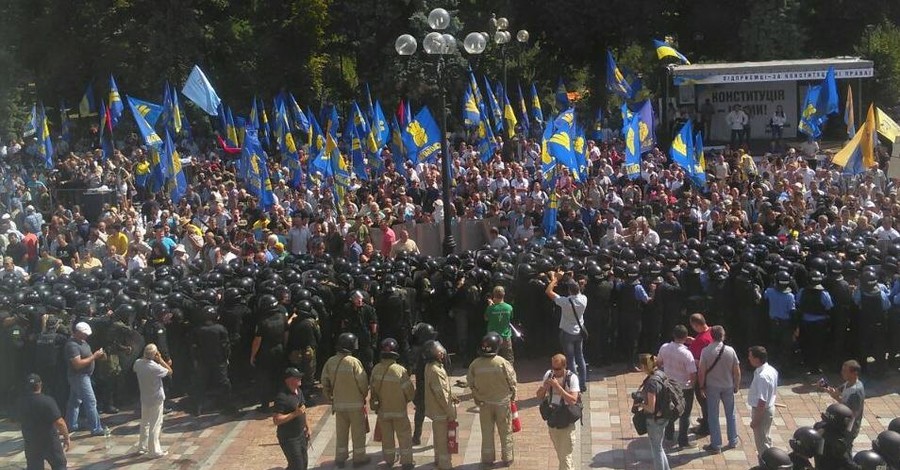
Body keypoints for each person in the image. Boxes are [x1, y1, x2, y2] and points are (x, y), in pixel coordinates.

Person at [467, 332, 518, 467]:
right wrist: (513, 396)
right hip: (502, 403)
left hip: (484, 404)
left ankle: (488, 459)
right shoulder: (502, 362)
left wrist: (478, 398)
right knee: (505, 431)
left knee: (487, 432)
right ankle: (507, 458)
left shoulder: (475, 364)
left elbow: (470, 384)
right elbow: (512, 381)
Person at [321, 332, 370, 468]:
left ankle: (340, 458)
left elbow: (324, 381)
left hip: (339, 405)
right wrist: (363, 395)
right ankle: (359, 458)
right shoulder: (354, 362)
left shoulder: (330, 361)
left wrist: (329, 397)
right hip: (355, 405)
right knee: (358, 433)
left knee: (341, 432)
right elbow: (362, 382)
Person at [370, 338, 415, 470]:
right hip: (399, 411)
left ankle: (389, 460)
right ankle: (406, 462)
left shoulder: (376, 369)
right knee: (404, 435)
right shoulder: (400, 370)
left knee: (387, 437)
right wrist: (407, 399)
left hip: (383, 411)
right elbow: (409, 391)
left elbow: (372, 389)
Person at [697, 325, 741, 454]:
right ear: (723, 335)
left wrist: (701, 386)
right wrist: (736, 385)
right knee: (730, 414)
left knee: (713, 415)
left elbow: (701, 372)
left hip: (712, 386)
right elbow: (736, 370)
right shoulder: (730, 350)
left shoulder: (705, 351)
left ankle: (716, 444)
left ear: (711, 336)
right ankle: (733, 440)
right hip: (727, 385)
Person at [545, 270, 588, 391]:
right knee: (580, 357)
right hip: (579, 331)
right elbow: (577, 289)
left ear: (569, 291)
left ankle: (574, 384)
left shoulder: (565, 302)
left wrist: (555, 279)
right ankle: (582, 384)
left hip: (567, 333)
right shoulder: (584, 299)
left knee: (570, 359)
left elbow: (548, 291)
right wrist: (570, 278)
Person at [536, 353, 581, 470]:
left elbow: (573, 400)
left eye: (558, 369)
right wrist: (545, 387)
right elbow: (539, 396)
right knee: (561, 455)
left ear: (565, 366)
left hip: (566, 418)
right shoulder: (549, 375)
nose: (555, 371)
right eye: (553, 368)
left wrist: (558, 387)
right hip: (553, 417)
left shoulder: (572, 378)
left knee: (565, 455)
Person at [17, 373, 70, 470]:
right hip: (49, 442)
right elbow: (60, 422)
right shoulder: (47, 401)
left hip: (31, 443)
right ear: (40, 384)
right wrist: (66, 438)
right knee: (59, 465)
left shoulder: (21, 402)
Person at [656, 325, 697, 449]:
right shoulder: (687, 354)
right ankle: (683, 441)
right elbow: (693, 373)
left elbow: (659, 363)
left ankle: (668, 436)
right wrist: (693, 385)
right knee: (685, 414)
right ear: (685, 337)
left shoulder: (664, 348)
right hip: (684, 387)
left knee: (669, 410)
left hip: (668, 385)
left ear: (673, 335)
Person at [64, 321, 107, 437]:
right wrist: (94, 356)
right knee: (91, 401)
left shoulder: (82, 342)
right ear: (77, 332)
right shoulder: (72, 345)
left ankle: (71, 424)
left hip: (84, 376)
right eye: (84, 333)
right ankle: (96, 428)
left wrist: (98, 356)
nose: (87, 335)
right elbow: (77, 364)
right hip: (79, 377)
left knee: (74, 401)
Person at [132, 343, 173, 458]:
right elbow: (169, 371)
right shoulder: (154, 367)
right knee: (155, 424)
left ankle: (142, 446)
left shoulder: (138, 363)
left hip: (144, 397)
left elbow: (136, 368)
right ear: (155, 354)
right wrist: (160, 360)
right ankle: (154, 450)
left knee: (145, 422)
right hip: (156, 398)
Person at [635, 353, 671, 470]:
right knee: (659, 448)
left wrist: (640, 404)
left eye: (641, 365)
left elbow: (651, 407)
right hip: (664, 415)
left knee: (656, 450)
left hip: (655, 420)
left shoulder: (651, 382)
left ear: (645, 366)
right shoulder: (661, 373)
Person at [424, 340, 456, 470]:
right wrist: (450, 412)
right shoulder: (436, 370)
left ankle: (438, 460)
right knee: (444, 440)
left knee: (438, 438)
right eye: (439, 351)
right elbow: (441, 395)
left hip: (435, 410)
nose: (442, 353)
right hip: (441, 411)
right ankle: (445, 465)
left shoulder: (430, 366)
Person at [273, 367, 311, 470]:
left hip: (301, 435)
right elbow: (276, 420)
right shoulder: (282, 397)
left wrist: (307, 427)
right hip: (289, 438)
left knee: (304, 463)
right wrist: (294, 414)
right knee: (297, 465)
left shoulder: (298, 391)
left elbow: (303, 410)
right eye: (297, 377)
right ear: (288, 380)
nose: (300, 378)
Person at [823, 359, 865, 450]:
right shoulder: (848, 383)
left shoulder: (856, 392)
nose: (842, 373)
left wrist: (836, 398)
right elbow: (836, 391)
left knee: (845, 448)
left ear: (854, 373)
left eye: (845, 371)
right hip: (843, 422)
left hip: (849, 427)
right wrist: (825, 387)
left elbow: (851, 412)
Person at [747, 345, 778, 465]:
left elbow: (761, 401)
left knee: (761, 443)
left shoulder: (762, 376)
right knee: (766, 438)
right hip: (768, 409)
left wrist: (756, 420)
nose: (749, 359)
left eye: (750, 357)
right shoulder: (771, 370)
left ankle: (767, 464)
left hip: (762, 412)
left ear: (757, 359)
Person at [686, 313, 712, 437]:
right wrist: (693, 341)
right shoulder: (711, 331)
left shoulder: (702, 340)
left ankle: (706, 427)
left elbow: (698, 360)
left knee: (703, 400)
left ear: (696, 325)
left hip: (702, 375)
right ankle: (706, 420)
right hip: (710, 374)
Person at [484, 286, 515, 363]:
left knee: (491, 359)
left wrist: (490, 305)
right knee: (509, 360)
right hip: (506, 337)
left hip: (492, 338)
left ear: (494, 295)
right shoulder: (509, 307)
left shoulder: (490, 308)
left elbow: (486, 318)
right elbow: (511, 317)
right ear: (504, 294)